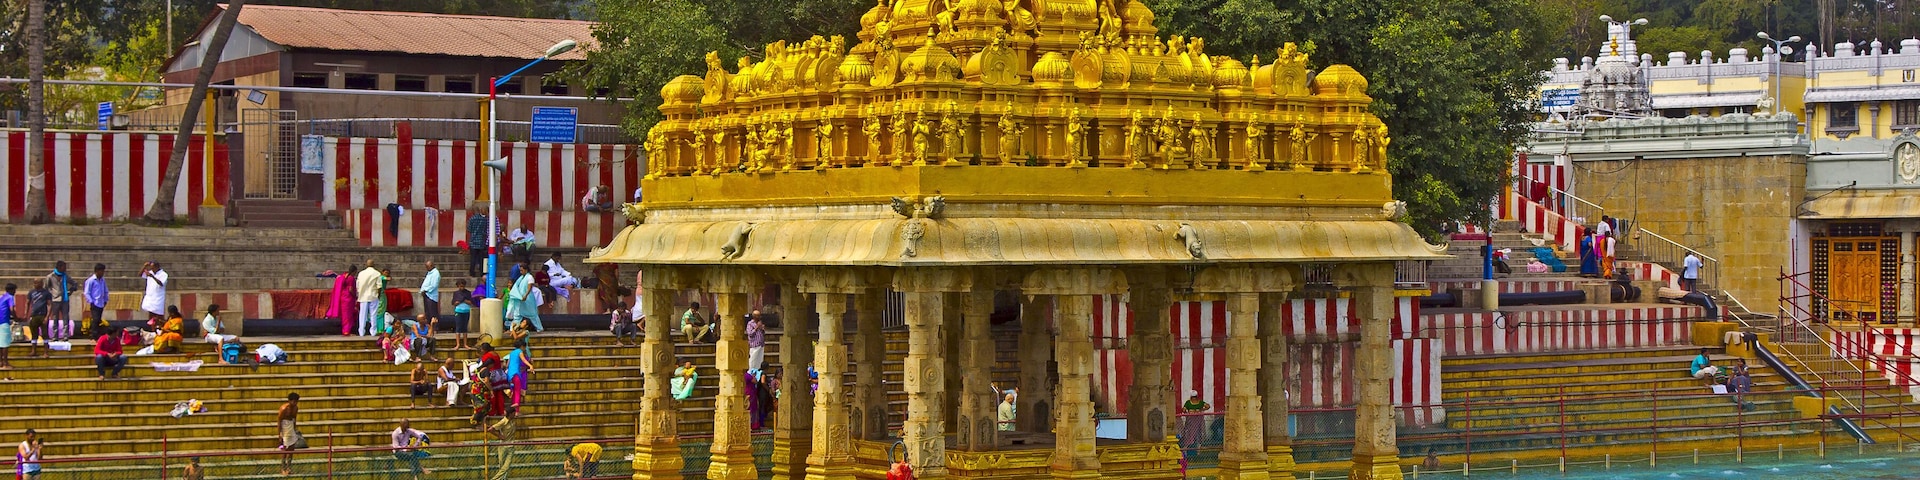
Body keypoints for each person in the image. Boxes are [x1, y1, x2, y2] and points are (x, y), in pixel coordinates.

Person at [484, 409, 520, 480]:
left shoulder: (513, 421)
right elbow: (491, 429)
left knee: (506, 467)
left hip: (511, 446)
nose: (515, 414)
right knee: (502, 466)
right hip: (503, 446)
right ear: (510, 414)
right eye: (513, 413)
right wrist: (499, 436)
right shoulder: (503, 421)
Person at [506, 267, 543, 332]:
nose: (521, 272)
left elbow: (529, 288)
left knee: (532, 314)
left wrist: (525, 295)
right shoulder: (521, 278)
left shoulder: (529, 277)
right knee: (517, 314)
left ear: (526, 270)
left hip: (528, 299)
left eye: (522, 270)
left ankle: (539, 328)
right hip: (519, 299)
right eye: (520, 270)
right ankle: (513, 329)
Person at [44, 261, 74, 342]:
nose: (65, 269)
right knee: (55, 318)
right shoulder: (50, 276)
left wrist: (70, 290)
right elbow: (46, 288)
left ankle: (65, 336)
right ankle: (54, 336)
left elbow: (74, 283)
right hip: (55, 300)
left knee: (65, 318)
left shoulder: (65, 276)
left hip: (65, 299)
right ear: (59, 267)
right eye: (64, 267)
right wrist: (51, 295)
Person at [278, 393, 306, 475]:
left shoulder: (296, 408)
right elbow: (279, 421)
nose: (295, 403)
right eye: (293, 401)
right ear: (289, 401)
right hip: (284, 427)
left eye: (296, 401)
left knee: (291, 449)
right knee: (285, 450)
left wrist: (294, 429)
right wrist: (280, 434)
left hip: (291, 427)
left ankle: (289, 468)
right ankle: (283, 468)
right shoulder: (283, 409)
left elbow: (294, 419)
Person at [356, 260, 383, 337]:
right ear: (374, 265)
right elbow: (379, 286)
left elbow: (357, 285)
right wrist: (378, 295)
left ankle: (361, 331)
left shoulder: (361, 273)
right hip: (373, 295)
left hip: (363, 296)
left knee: (362, 315)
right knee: (373, 314)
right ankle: (373, 332)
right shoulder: (377, 273)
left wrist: (359, 293)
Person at [506, 340, 535, 407]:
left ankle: (513, 408)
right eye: (524, 347)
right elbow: (524, 360)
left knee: (513, 391)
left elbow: (507, 365)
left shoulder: (512, 353)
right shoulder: (520, 352)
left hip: (510, 375)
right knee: (517, 392)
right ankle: (516, 411)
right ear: (522, 346)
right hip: (516, 374)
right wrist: (530, 365)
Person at [82, 263, 108, 338]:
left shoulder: (103, 280)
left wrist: (105, 299)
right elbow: (87, 292)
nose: (102, 273)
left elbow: (105, 290)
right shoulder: (91, 280)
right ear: (97, 271)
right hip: (94, 303)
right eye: (101, 271)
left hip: (101, 303)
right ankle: (93, 335)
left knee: (98, 320)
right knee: (95, 319)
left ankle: (97, 334)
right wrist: (91, 301)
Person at [141, 262, 169, 327]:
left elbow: (161, 283)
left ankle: (163, 329)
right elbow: (140, 274)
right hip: (150, 296)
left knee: (159, 315)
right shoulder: (151, 272)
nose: (151, 269)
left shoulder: (163, 274)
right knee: (151, 314)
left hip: (158, 297)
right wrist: (144, 266)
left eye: (152, 267)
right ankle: (152, 330)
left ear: (157, 267)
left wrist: (152, 276)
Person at [26, 279, 49, 354]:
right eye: (34, 283)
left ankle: (45, 352)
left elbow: (50, 305)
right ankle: (33, 351)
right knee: (34, 334)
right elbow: (28, 303)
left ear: (41, 283)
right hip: (34, 315)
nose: (35, 284)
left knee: (45, 334)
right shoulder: (31, 292)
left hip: (42, 315)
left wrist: (47, 316)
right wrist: (26, 314)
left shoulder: (46, 293)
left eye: (37, 283)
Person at [467, 212, 491, 277]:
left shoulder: (471, 219)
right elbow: (486, 229)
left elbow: (469, 229)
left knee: (473, 258)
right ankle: (481, 272)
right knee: (481, 259)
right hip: (481, 242)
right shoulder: (484, 220)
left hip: (473, 241)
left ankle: (472, 272)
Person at [420, 261, 442, 326]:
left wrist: (426, 290)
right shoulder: (429, 273)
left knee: (433, 312)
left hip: (431, 295)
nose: (426, 268)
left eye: (427, 266)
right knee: (427, 312)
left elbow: (434, 285)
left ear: (431, 265)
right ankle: (429, 326)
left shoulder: (435, 273)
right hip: (426, 294)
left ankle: (435, 327)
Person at [0, 283, 14, 371]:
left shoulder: (2, 297)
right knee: (5, 344)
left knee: (0, 343)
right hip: (4, 321)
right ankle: (5, 363)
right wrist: (17, 318)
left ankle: (1, 362)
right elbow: (12, 309)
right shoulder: (10, 297)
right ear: (12, 290)